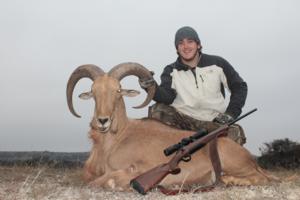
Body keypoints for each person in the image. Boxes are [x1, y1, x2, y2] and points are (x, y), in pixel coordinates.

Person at [139, 26, 248, 145]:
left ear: (198, 45)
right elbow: (166, 97)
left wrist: (230, 114)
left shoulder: (218, 63)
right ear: (177, 48)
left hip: (214, 122)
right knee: (158, 110)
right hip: (183, 120)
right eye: (181, 43)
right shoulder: (171, 70)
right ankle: (159, 158)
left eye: (190, 41)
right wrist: (150, 86)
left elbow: (239, 87)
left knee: (235, 133)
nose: (186, 47)